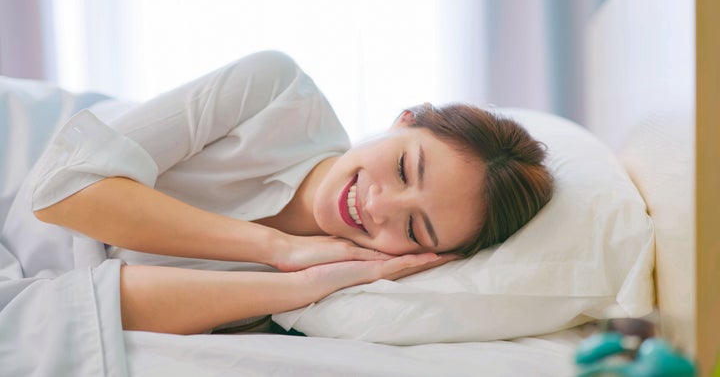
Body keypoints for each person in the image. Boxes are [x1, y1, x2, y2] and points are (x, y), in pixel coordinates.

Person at [6, 51, 553, 336]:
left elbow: (106, 304)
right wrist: (275, 249)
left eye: (413, 229)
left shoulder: (342, 290)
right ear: (403, 120)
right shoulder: (277, 91)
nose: (379, 206)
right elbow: (62, 192)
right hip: (21, 149)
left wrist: (302, 284)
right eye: (407, 167)